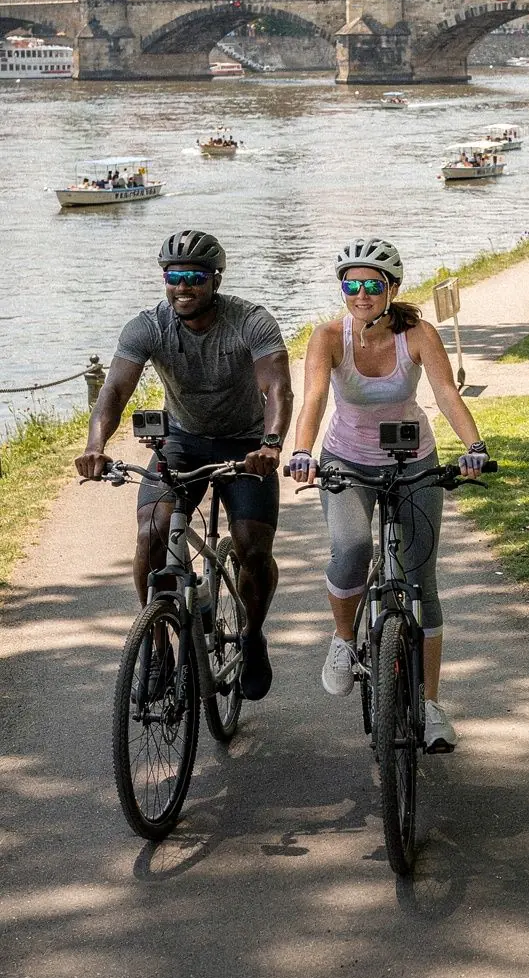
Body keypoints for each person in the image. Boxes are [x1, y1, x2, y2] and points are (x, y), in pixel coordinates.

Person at [287, 236, 490, 752]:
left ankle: (430, 703)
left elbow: (445, 393)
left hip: (412, 458)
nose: (360, 295)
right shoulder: (328, 336)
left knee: (421, 578)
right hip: (346, 460)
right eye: (350, 285)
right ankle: (342, 638)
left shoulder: (417, 333)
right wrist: (302, 451)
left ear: (392, 289)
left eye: (371, 286)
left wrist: (474, 446)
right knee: (353, 549)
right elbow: (312, 397)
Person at [75, 229, 293, 701]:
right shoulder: (148, 326)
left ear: (215, 280)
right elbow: (114, 391)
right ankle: (157, 646)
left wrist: (271, 445)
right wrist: (96, 444)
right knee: (151, 534)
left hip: (246, 445)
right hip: (181, 441)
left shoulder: (251, 321)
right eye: (174, 277)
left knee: (254, 550)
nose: (183, 288)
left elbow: (278, 388)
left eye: (194, 278)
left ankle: (253, 636)